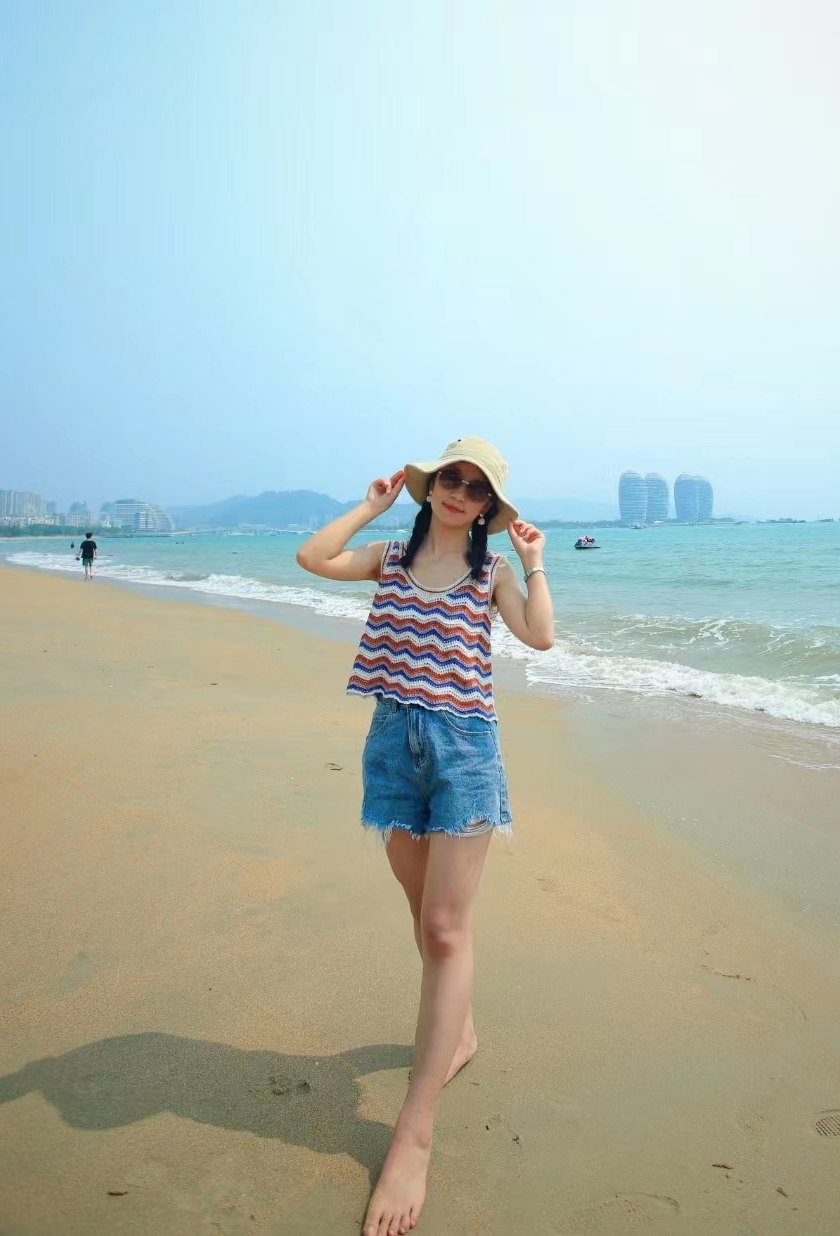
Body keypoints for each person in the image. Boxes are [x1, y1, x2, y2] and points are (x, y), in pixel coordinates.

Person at [296, 436, 553, 1236]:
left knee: (444, 929)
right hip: (392, 748)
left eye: (477, 489)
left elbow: (540, 636)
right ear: (432, 486)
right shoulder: (390, 558)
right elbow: (312, 556)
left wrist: (535, 563)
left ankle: (414, 1135)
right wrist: (372, 505)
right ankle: (460, 1031)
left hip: (465, 752)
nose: (460, 493)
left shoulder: (491, 572)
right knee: (423, 915)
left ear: (487, 508)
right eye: (452, 479)